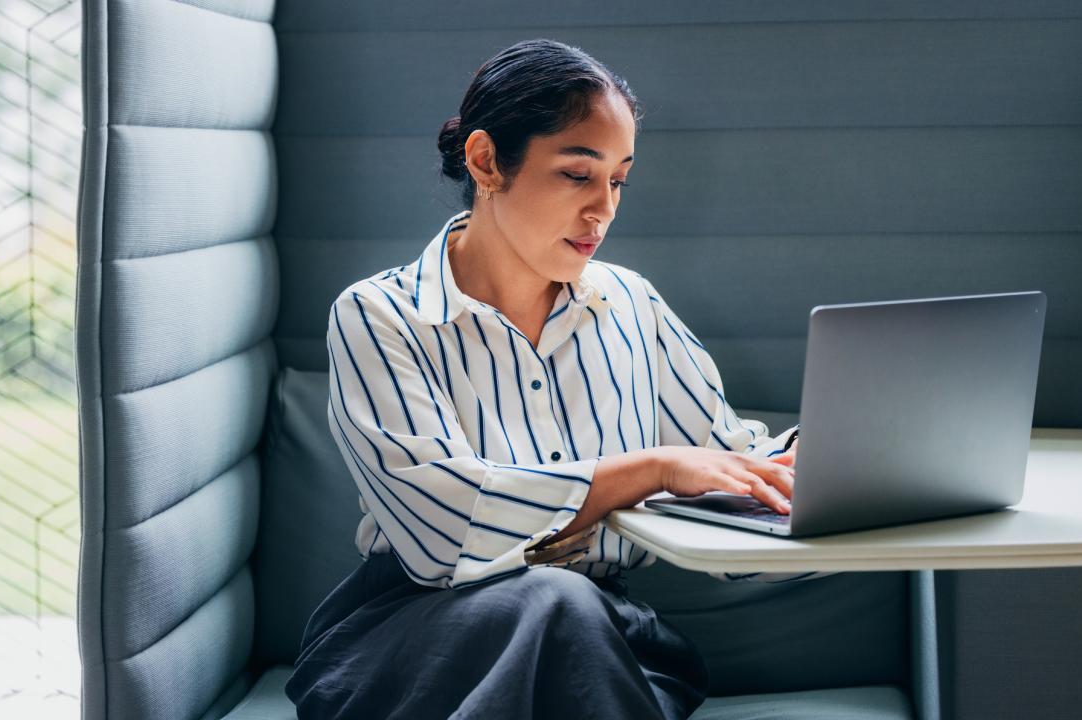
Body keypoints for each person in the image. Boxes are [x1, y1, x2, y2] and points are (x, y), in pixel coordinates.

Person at [285, 38, 825, 720]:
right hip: (415, 641)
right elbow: (444, 534)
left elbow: (726, 485)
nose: (604, 209)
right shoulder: (380, 317)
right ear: (486, 162)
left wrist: (809, 472)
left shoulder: (632, 305)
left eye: (619, 180)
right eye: (578, 175)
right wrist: (650, 469)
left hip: (602, 637)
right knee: (553, 601)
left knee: (570, 613)